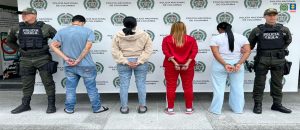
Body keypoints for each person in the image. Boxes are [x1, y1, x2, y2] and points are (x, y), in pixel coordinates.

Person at [50, 15, 108, 114]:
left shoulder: (62, 31)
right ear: (82, 22)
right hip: (86, 65)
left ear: (73, 22)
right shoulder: (88, 31)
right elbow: (88, 47)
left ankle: (69, 109)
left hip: (69, 65)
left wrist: (66, 58)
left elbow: (52, 46)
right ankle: (97, 108)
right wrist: (78, 60)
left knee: (70, 89)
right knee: (91, 88)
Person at [7, 8, 57, 114]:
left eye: (26, 14)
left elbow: (59, 39)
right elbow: (9, 41)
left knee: (48, 82)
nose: (23, 16)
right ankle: (25, 105)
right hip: (25, 60)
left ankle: (51, 105)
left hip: (43, 59)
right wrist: (20, 50)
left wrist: (54, 47)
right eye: (22, 14)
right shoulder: (16, 28)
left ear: (34, 15)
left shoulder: (46, 28)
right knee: (26, 84)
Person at [248, 8, 292, 114]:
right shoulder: (257, 30)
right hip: (262, 60)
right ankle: (258, 104)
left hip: (278, 60)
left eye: (274, 15)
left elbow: (288, 40)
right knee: (259, 83)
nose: (272, 17)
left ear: (277, 16)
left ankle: (277, 104)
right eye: (269, 15)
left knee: (277, 83)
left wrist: (281, 50)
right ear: (265, 16)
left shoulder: (284, 30)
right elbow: (249, 45)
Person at [112, 16, 152, 114]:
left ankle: (124, 108)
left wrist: (125, 61)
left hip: (124, 63)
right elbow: (148, 49)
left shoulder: (118, 35)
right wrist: (140, 61)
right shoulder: (144, 34)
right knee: (141, 84)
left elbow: (115, 51)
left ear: (124, 24)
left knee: (124, 86)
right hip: (140, 63)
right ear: (136, 24)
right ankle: (142, 107)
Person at [209, 22, 251, 114]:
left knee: (218, 88)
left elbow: (216, 54)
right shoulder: (242, 37)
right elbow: (248, 51)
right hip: (237, 65)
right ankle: (238, 109)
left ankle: (216, 110)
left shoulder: (215, 38)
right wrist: (239, 63)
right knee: (238, 87)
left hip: (220, 64)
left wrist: (225, 64)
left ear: (219, 29)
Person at [162, 21, 198, 115]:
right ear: (184, 28)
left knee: (170, 87)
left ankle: (170, 109)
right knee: (188, 87)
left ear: (173, 28)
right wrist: (187, 63)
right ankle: (189, 109)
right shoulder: (191, 39)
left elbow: (166, 52)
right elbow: (194, 52)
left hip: (171, 66)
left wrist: (175, 63)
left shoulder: (167, 39)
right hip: (188, 66)